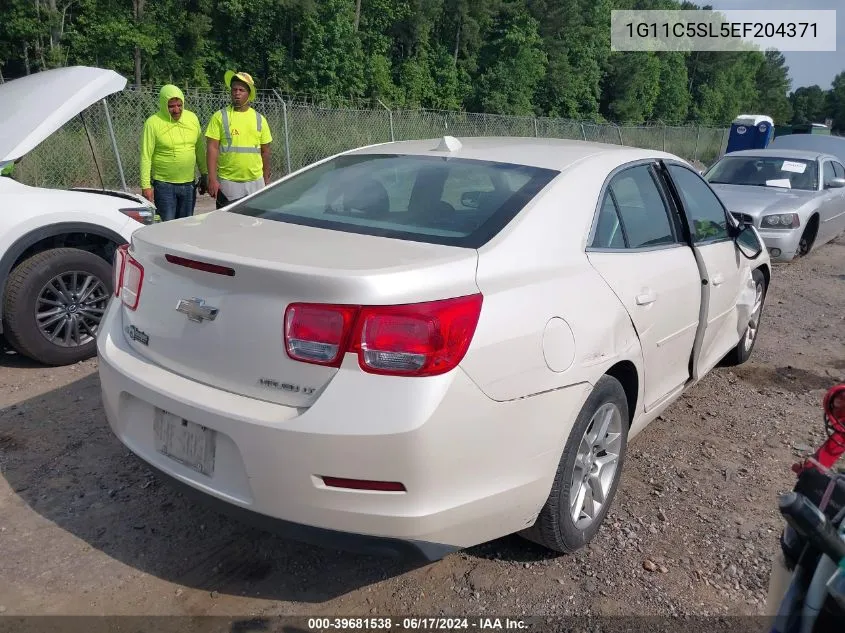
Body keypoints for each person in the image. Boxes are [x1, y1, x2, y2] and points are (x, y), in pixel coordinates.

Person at [205, 71, 272, 209]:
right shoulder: (220, 117)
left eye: (241, 90)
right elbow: (212, 148)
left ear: (249, 94)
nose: (237, 93)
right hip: (229, 182)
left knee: (256, 224)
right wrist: (212, 179)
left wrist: (265, 178)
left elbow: (265, 152)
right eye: (234, 89)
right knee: (229, 225)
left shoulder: (259, 119)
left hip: (255, 182)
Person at [140, 84, 207, 221]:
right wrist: (145, 185)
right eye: (171, 106)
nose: (176, 110)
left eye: (179, 105)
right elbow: (146, 156)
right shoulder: (153, 123)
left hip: (188, 185)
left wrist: (205, 174)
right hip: (164, 186)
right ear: (164, 105)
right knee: (167, 226)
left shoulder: (192, 119)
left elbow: (199, 149)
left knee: (185, 225)